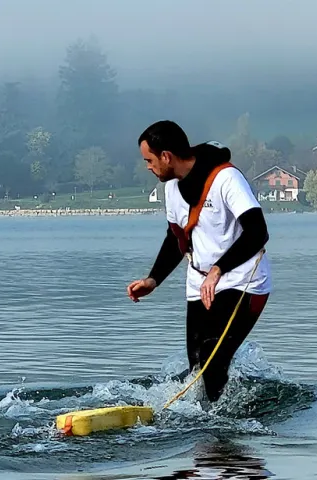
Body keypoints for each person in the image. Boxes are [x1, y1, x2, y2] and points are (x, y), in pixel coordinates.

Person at [125, 120, 272, 404]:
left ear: (166, 156)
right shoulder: (171, 187)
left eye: (149, 160)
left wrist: (218, 270)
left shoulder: (226, 178)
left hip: (242, 280)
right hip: (199, 281)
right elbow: (176, 238)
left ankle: (222, 424)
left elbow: (258, 232)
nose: (148, 167)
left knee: (211, 359)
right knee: (197, 365)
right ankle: (205, 415)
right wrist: (153, 279)